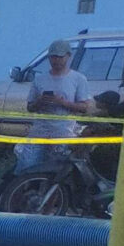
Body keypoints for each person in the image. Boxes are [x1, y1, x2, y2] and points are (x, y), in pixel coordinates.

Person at [17, 39, 93, 173]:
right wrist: (40, 101)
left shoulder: (78, 79)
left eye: (60, 56)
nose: (56, 60)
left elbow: (84, 107)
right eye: (53, 56)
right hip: (39, 133)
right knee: (27, 168)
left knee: (56, 172)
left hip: (63, 133)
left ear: (68, 56)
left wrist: (62, 102)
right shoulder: (40, 79)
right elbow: (30, 107)